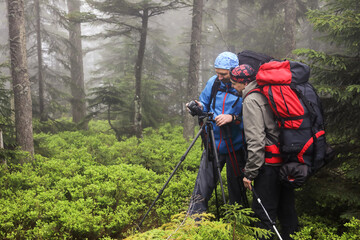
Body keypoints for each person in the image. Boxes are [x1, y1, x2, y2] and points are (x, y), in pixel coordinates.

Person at [230, 64, 299, 240]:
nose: (232, 86)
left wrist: (250, 173)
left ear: (244, 83)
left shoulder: (252, 100)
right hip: (286, 159)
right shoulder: (268, 93)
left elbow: (256, 141)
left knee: (264, 214)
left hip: (268, 166)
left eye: (234, 83)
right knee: (287, 209)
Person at [187, 52, 247, 216]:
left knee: (236, 189)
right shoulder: (213, 83)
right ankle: (194, 220)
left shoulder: (244, 88)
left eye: (223, 74)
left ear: (234, 71)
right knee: (203, 186)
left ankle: (237, 223)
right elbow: (205, 105)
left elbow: (251, 119)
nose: (219, 77)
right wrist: (198, 106)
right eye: (217, 73)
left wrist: (232, 118)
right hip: (212, 142)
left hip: (235, 146)